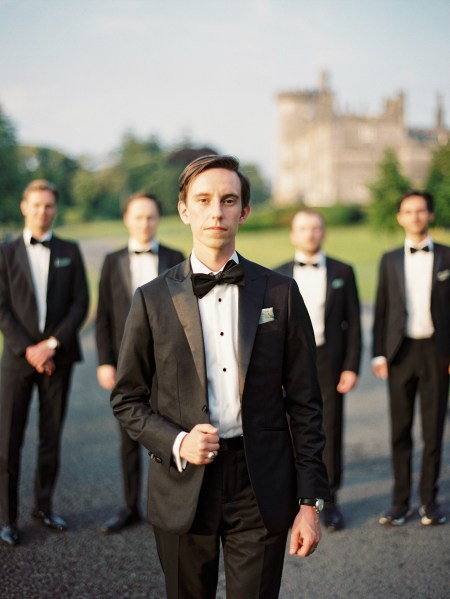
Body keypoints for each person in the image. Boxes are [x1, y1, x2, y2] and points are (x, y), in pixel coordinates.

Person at [111, 155, 330, 599]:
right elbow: (127, 399)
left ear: (244, 211)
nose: (217, 212)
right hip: (183, 484)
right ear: (184, 210)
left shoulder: (280, 292)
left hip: (261, 483)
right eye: (204, 200)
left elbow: (305, 402)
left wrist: (310, 503)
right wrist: (178, 441)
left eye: (229, 200)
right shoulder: (151, 299)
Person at [0, 179, 89, 546]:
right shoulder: (4, 252)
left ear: (55, 209)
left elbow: (80, 304)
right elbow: (2, 309)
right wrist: (30, 350)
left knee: (50, 438)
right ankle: (7, 519)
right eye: (36, 205)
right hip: (18, 360)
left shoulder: (70, 249)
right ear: (24, 207)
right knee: (8, 440)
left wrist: (50, 345)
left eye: (49, 206)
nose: (42, 212)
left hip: (58, 358)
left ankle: (44, 507)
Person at [96, 192, 184, 534]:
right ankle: (130, 505)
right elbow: (102, 316)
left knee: (170, 432)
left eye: (150, 217)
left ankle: (174, 506)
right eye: (138, 217)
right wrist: (106, 362)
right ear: (126, 220)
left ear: (158, 219)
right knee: (128, 437)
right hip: (126, 363)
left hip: (167, 363)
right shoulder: (111, 260)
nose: (144, 223)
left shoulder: (177, 257)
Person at [276, 210, 361, 532]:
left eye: (315, 228)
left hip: (329, 361)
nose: (310, 234)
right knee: (287, 431)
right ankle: (293, 499)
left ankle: (330, 499)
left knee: (329, 431)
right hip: (290, 362)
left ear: (323, 233)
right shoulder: (278, 274)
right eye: (303, 229)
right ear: (293, 235)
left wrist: (350, 367)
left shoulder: (343, 271)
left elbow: (352, 325)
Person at [372, 190, 450, 527]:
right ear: (400, 217)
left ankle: (429, 501)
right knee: (399, 431)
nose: (415, 216)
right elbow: (382, 309)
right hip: (400, 352)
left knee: (433, 431)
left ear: (430, 216)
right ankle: (399, 501)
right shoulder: (389, 259)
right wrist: (378, 353)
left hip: (437, 351)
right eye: (408, 211)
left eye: (421, 211)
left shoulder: (448, 256)